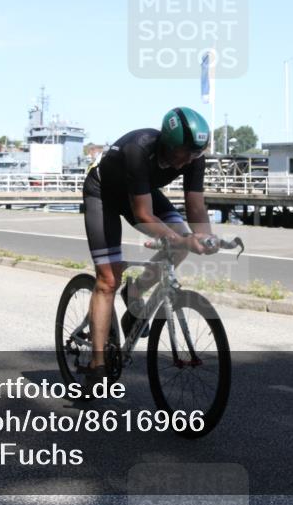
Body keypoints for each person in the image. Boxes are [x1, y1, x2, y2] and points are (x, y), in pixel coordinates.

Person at [81, 107, 219, 382]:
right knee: (108, 279)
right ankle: (96, 363)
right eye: (185, 153)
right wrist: (180, 239)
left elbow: (195, 207)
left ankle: (135, 291)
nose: (190, 160)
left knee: (179, 244)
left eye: (195, 153)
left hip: (139, 193)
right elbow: (144, 215)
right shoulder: (138, 150)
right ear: (169, 144)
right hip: (104, 193)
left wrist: (205, 237)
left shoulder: (194, 157)